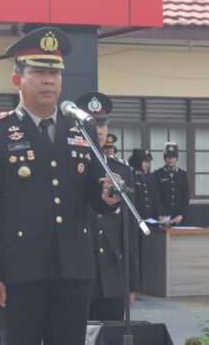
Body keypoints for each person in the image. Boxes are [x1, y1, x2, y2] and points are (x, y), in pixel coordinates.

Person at [0, 27, 120, 345]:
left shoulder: (81, 128)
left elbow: (93, 195)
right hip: (21, 271)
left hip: (74, 270)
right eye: (38, 72)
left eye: (54, 73)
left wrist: (108, 197)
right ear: (17, 80)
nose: (49, 80)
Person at [75, 92, 140, 321]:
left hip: (112, 274)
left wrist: (131, 282)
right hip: (77, 273)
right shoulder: (68, 165)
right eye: (93, 125)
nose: (99, 131)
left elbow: (129, 229)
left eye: (102, 125)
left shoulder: (122, 171)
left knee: (112, 334)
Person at [153, 142, 190, 225]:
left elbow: (186, 196)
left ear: (176, 158)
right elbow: (156, 197)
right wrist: (160, 214)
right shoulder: (157, 174)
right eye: (168, 157)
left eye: (173, 157)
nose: (170, 160)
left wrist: (181, 214)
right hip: (164, 217)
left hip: (179, 217)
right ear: (164, 158)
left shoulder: (182, 173)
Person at [128, 149, 162, 221]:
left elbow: (155, 198)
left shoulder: (151, 177)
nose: (147, 164)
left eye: (148, 162)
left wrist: (159, 215)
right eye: (145, 162)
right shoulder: (131, 176)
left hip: (150, 217)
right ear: (138, 161)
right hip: (135, 217)